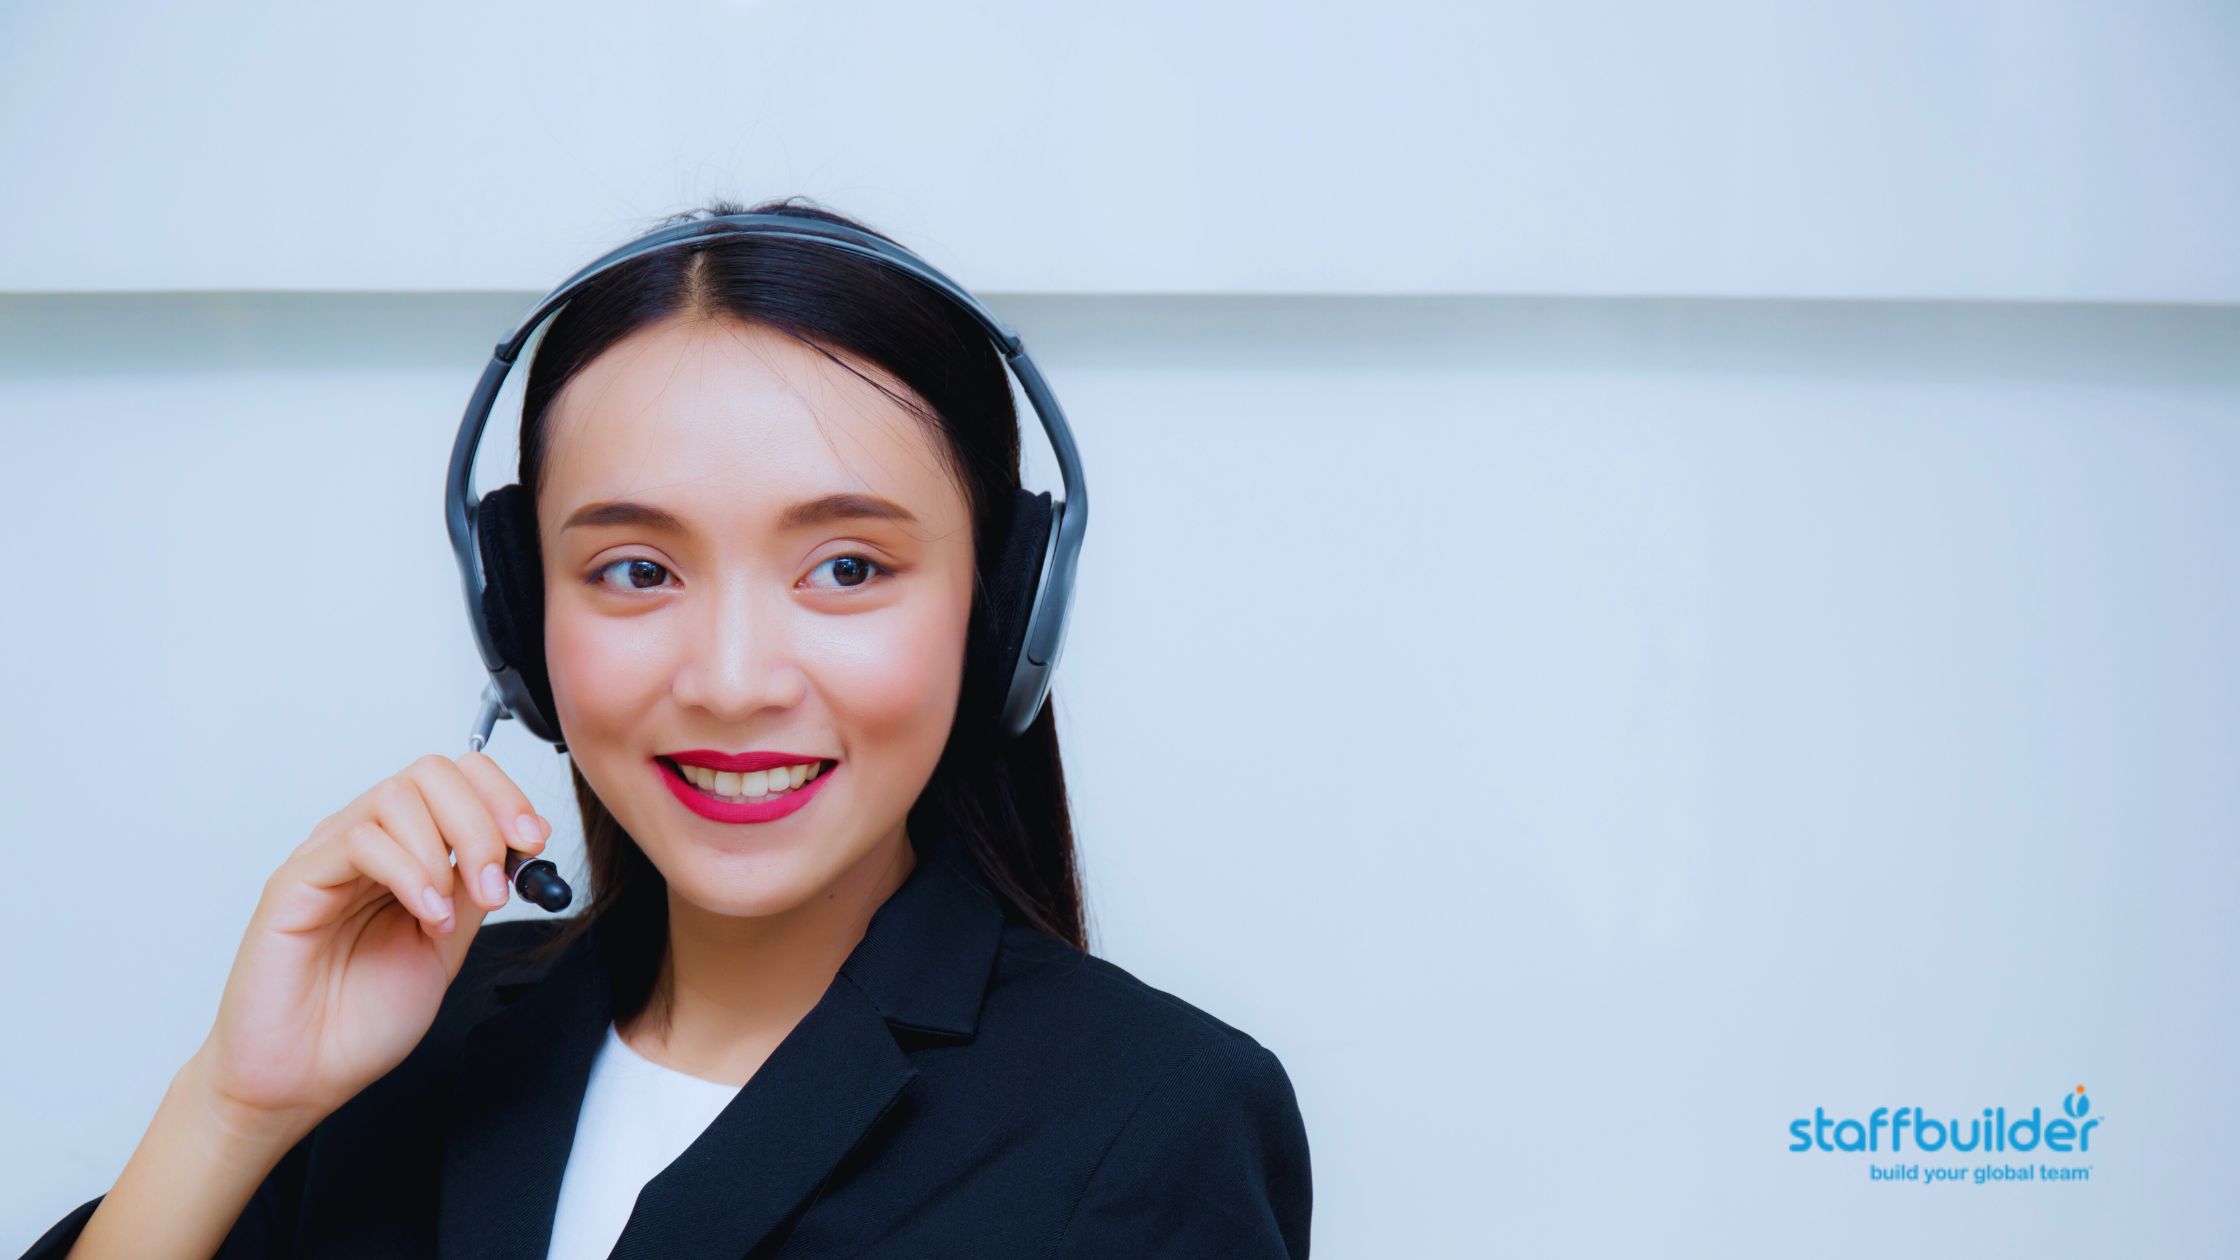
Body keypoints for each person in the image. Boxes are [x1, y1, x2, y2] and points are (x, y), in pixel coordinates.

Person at [21, 197, 1312, 1259]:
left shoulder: (1155, 1120)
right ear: (520, 616)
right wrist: (232, 1108)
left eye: (847, 568)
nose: (733, 681)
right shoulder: (404, 1036)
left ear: (1002, 607)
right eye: (637, 570)